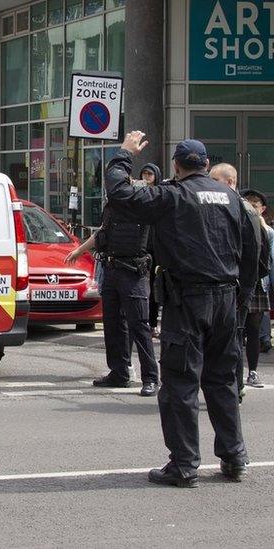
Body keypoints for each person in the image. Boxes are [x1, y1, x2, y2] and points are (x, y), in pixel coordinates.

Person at [105, 132, 258, 488]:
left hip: (187, 300)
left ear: (176, 166)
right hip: (226, 300)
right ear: (206, 165)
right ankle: (235, 458)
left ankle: (185, 464)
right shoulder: (234, 199)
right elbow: (254, 253)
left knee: (179, 384)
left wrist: (125, 154)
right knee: (222, 381)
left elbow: (120, 193)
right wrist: (241, 299)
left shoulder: (172, 196)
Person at [65, 167, 159, 396]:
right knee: (113, 324)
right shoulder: (112, 207)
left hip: (134, 271)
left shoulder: (141, 203)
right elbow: (102, 234)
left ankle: (150, 378)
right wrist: (79, 250)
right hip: (111, 268)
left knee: (139, 326)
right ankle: (119, 372)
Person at [210, 163, 268, 401]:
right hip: (220, 285)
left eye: (215, 180)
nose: (210, 184)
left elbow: (259, 253)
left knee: (232, 338)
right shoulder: (216, 206)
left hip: (236, 287)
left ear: (230, 182)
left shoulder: (244, 210)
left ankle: (233, 387)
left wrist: (245, 287)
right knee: (223, 339)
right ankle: (226, 386)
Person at [238, 189, 271, 394]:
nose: (252, 205)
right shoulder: (237, 223)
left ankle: (253, 371)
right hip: (239, 283)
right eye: (248, 202)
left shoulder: (266, 230)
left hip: (258, 283)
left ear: (262, 208)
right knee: (237, 331)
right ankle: (236, 371)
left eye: (255, 203)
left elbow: (268, 260)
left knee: (253, 329)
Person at [139, 164, 164, 338]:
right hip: (141, 246)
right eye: (144, 174)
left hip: (157, 247)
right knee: (141, 286)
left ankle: (153, 322)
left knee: (155, 286)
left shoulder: (161, 194)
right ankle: (143, 321)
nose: (147, 177)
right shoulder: (137, 193)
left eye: (150, 174)